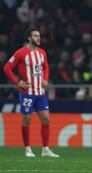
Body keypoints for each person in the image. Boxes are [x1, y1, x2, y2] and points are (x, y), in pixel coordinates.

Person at [3, 27, 59, 157]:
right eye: (35, 36)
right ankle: (27, 149)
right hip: (27, 92)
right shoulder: (20, 53)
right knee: (26, 119)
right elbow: (7, 68)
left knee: (46, 120)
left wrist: (45, 79)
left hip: (40, 93)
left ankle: (45, 149)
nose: (38, 38)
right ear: (29, 38)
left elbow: (46, 67)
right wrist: (17, 82)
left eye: (39, 36)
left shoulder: (42, 53)